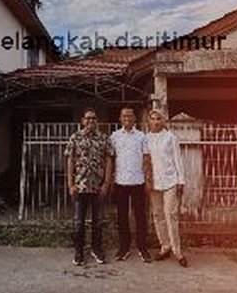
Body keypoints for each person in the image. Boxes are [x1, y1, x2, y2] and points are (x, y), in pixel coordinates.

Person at [65, 108, 113, 266]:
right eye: (88, 118)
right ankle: (79, 251)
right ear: (82, 120)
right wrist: (71, 184)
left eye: (93, 118)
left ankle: (96, 249)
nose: (91, 121)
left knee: (97, 221)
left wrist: (106, 183)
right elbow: (70, 160)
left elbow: (108, 160)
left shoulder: (103, 138)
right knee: (78, 222)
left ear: (97, 121)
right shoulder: (75, 137)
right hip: (80, 186)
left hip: (98, 187)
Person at [146, 108, 188, 267]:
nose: (156, 122)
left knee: (170, 215)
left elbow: (177, 159)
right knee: (157, 215)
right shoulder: (146, 138)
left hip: (171, 180)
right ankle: (165, 246)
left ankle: (178, 251)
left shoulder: (170, 137)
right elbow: (146, 160)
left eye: (158, 119)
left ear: (163, 121)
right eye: (153, 119)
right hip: (154, 182)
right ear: (149, 121)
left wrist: (181, 180)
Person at [110, 107, 152, 263]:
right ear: (120, 119)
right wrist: (110, 179)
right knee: (122, 217)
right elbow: (111, 159)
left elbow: (146, 159)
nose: (127, 118)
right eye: (124, 116)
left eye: (130, 115)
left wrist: (147, 179)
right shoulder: (114, 136)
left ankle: (142, 247)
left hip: (138, 182)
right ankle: (124, 248)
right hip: (120, 182)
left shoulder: (141, 136)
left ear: (134, 118)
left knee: (140, 216)